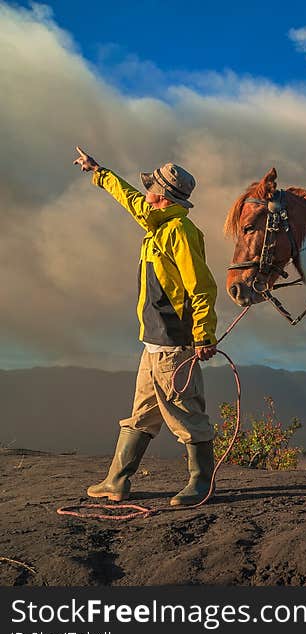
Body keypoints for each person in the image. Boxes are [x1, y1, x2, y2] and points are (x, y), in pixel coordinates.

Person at [73, 147, 219, 506]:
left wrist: (203, 334)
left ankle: (202, 483)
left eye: (150, 187)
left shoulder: (180, 231)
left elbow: (200, 286)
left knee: (187, 414)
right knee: (141, 414)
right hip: (152, 342)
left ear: (161, 196)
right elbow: (130, 200)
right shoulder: (156, 221)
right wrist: (98, 171)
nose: (145, 192)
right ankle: (116, 482)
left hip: (174, 343)